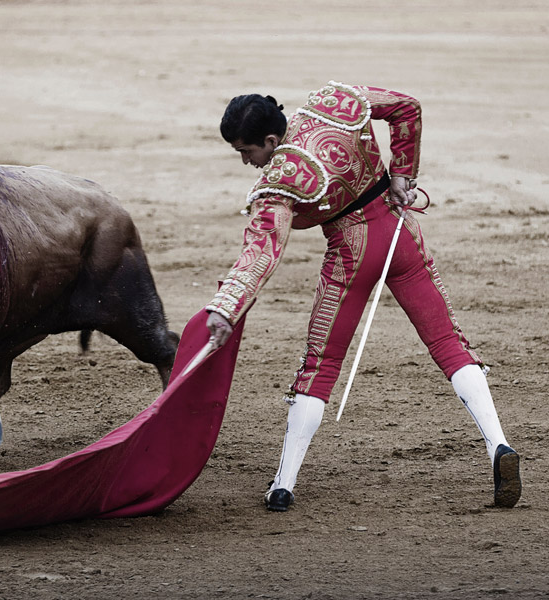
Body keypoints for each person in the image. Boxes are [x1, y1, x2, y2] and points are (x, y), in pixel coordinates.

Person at [204, 81, 522, 512]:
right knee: (449, 343)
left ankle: (284, 483)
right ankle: (498, 445)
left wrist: (227, 307)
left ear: (272, 141)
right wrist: (403, 175)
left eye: (247, 151)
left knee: (321, 364)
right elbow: (407, 108)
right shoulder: (333, 101)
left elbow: (262, 253)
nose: (246, 161)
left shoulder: (279, 182)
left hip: (352, 253)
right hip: (399, 234)